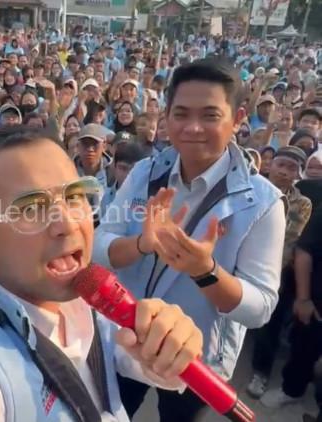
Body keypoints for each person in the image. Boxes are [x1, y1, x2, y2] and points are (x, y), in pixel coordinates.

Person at [0, 126, 204, 422]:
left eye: (75, 197)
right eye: (31, 208)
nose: (67, 223)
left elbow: (127, 354)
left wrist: (168, 348)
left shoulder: (80, 297)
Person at [93, 58, 285, 422]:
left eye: (210, 115)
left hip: (194, 361)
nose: (193, 128)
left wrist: (205, 272)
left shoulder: (262, 202)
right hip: (125, 339)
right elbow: (99, 244)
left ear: (238, 117)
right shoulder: (144, 173)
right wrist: (141, 246)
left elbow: (260, 307)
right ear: (166, 116)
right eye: (181, 113)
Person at [247, 146, 312, 399]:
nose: (284, 172)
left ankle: (260, 373)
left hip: (274, 269)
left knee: (268, 325)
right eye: (281, 165)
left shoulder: (301, 203)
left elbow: (290, 240)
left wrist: (264, 269)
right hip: (239, 258)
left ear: (298, 174)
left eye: (292, 168)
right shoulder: (250, 188)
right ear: (270, 164)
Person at [261, 206, 322, 410]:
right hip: (315, 307)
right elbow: (304, 252)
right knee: (303, 351)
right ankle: (292, 391)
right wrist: (303, 299)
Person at [101, 141, 144, 216]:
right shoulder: (103, 197)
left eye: (133, 169)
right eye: (123, 168)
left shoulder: (147, 200)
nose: (128, 174)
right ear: (114, 167)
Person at [74, 124, 112, 191]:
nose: (90, 149)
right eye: (85, 143)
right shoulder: (68, 170)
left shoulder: (113, 171)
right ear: (78, 146)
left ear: (104, 146)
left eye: (95, 144)